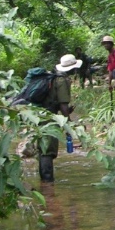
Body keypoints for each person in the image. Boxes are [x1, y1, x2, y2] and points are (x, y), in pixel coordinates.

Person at [37, 53, 79, 183]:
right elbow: (63, 104)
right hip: (49, 117)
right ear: (72, 68)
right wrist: (69, 125)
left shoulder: (52, 77)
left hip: (38, 115)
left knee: (43, 148)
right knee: (48, 150)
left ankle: (44, 183)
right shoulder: (62, 80)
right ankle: (48, 183)